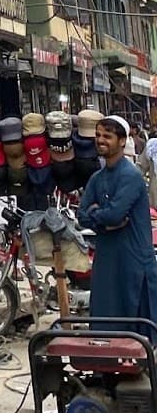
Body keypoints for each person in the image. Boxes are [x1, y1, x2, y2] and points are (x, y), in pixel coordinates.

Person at [79, 115, 157, 338]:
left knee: (136, 324)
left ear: (122, 141)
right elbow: (83, 216)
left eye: (107, 136)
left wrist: (99, 214)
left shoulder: (130, 176)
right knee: (106, 319)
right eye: (98, 135)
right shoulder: (96, 178)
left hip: (133, 259)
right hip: (107, 259)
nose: (101, 140)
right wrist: (104, 220)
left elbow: (115, 214)